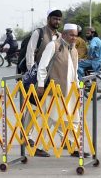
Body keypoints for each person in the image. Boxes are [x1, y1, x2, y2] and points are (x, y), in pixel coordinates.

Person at [33, 23, 90, 158]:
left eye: (75, 35)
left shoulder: (74, 50)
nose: (73, 38)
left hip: (70, 91)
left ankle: (72, 146)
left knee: (73, 119)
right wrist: (40, 85)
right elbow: (42, 67)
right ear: (64, 34)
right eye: (71, 35)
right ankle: (39, 147)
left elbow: (75, 72)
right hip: (55, 90)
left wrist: (77, 87)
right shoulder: (54, 45)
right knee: (50, 119)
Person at [23, 8, 62, 147]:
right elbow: (30, 52)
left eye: (59, 19)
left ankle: (65, 139)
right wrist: (32, 74)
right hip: (38, 78)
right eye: (54, 18)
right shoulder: (39, 33)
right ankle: (26, 135)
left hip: (52, 79)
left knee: (55, 108)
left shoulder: (60, 37)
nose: (57, 21)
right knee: (33, 107)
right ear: (48, 19)